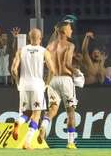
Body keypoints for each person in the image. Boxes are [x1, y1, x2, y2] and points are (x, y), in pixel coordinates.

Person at [10, 28, 53, 150]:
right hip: (37, 86)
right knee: (36, 115)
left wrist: (18, 82)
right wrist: (47, 84)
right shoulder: (44, 51)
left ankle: (19, 121)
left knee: (26, 113)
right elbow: (53, 70)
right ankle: (27, 142)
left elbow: (13, 69)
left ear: (29, 38)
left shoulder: (21, 50)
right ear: (40, 38)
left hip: (23, 86)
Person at [45, 16, 79, 149]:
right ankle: (70, 142)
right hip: (65, 79)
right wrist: (75, 71)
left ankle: (42, 128)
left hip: (52, 80)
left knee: (52, 110)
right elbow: (67, 63)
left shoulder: (49, 46)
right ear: (64, 31)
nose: (71, 31)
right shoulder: (70, 45)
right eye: (70, 28)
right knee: (70, 112)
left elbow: (46, 63)